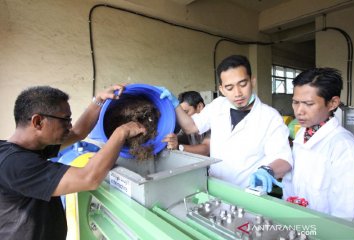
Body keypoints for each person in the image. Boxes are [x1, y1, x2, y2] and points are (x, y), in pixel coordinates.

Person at [0, 85, 146, 240]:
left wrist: (98, 101)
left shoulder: (25, 148)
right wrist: (121, 132)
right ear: (38, 122)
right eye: (65, 120)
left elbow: (77, 133)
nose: (69, 126)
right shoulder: (17, 164)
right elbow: (88, 178)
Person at [159, 55, 293, 192]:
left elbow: (284, 160)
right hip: (215, 188)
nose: (238, 93)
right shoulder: (218, 106)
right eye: (229, 87)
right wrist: (175, 105)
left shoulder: (269, 117)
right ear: (222, 89)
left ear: (252, 82)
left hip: (248, 194)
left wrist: (268, 171)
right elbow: (191, 127)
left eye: (243, 84)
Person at [282, 68, 354, 221]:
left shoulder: (345, 147)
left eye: (309, 104)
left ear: (332, 103)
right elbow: (291, 181)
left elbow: (347, 212)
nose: (299, 111)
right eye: (295, 102)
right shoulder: (301, 134)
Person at [163, 91, 210, 156]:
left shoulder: (211, 121)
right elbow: (181, 137)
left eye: (186, 112)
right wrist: (169, 140)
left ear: (199, 106)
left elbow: (206, 149)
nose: (183, 117)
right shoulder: (188, 126)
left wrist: (178, 146)